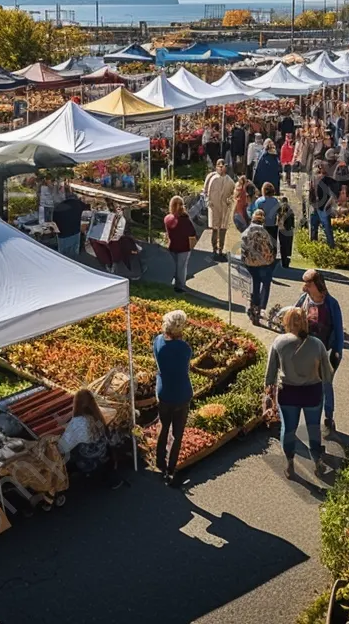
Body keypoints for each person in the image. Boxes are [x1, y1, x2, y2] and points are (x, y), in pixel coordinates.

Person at [265, 307, 333, 479]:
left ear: (287, 322)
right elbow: (327, 375)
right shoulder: (317, 344)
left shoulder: (279, 342)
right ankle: (317, 462)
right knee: (313, 428)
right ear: (306, 322)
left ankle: (289, 464)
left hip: (288, 393)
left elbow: (270, 373)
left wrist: (268, 395)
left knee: (288, 429)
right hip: (312, 392)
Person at [295, 271, 344, 433]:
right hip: (306, 351)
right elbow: (293, 319)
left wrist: (337, 353)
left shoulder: (331, 304)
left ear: (318, 284)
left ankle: (329, 418)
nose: (306, 287)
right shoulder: (304, 300)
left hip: (325, 352)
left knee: (325, 385)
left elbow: (338, 331)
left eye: (309, 284)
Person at [153, 310, 193, 486]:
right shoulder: (185, 348)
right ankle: (171, 468)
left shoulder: (158, 342)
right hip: (182, 394)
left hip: (164, 392)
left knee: (163, 427)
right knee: (177, 434)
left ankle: (159, 461)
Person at [58, 388, 115, 479]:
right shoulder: (98, 419)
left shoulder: (78, 422)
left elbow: (63, 447)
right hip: (101, 455)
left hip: (87, 461)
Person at [240, 210, 276, 325]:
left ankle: (253, 304)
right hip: (264, 263)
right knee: (266, 283)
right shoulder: (264, 232)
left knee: (255, 283)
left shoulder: (246, 232)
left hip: (250, 263)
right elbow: (270, 247)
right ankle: (261, 307)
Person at [163, 196, 197, 293]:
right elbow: (192, 234)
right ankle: (180, 287)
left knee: (173, 266)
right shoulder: (186, 221)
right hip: (184, 247)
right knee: (181, 268)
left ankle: (172, 282)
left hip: (172, 246)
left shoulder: (167, 219)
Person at [203, 159, 235, 261]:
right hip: (214, 207)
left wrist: (229, 201)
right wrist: (208, 202)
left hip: (225, 208)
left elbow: (233, 194)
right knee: (214, 228)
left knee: (223, 229)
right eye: (219, 166)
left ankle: (221, 250)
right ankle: (214, 249)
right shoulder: (211, 178)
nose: (221, 168)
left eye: (223, 166)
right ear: (216, 166)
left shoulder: (229, 180)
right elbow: (205, 191)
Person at [52, 187, 89, 258]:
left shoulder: (58, 207)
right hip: (75, 232)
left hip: (62, 234)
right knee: (74, 253)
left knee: (62, 254)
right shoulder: (78, 204)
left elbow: (54, 221)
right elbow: (87, 210)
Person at [307, 162, 337, 248]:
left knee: (323, 226)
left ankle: (330, 244)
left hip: (321, 206)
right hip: (318, 205)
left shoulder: (327, 180)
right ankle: (316, 243)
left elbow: (333, 194)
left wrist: (327, 205)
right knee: (317, 226)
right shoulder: (315, 178)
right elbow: (311, 190)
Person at [252, 182, 281, 253]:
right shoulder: (275, 201)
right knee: (272, 245)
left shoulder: (259, 201)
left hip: (262, 226)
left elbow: (255, 213)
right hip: (272, 226)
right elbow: (278, 212)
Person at [277, 195, 296, 270]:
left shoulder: (279, 210)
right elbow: (292, 222)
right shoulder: (290, 211)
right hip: (289, 230)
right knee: (288, 246)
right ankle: (286, 261)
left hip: (282, 230)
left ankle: (284, 261)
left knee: (282, 246)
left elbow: (278, 220)